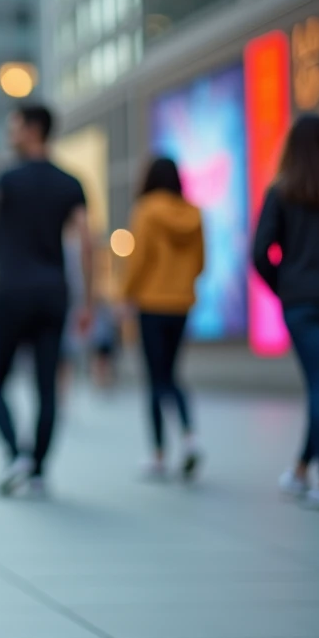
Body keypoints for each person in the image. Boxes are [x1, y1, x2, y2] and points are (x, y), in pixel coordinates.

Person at [0, 104, 92, 497]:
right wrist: (88, 301)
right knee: (47, 386)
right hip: (53, 293)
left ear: (33, 129)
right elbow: (86, 242)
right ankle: (38, 469)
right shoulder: (70, 182)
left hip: (12, 291)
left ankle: (17, 455)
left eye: (14, 127)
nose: (10, 134)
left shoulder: (6, 180)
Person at [253, 113, 319, 508]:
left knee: (318, 384)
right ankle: (302, 470)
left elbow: (259, 253)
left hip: (301, 303)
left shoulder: (281, 191)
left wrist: (284, 288)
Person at [121, 157, 205, 480]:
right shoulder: (194, 214)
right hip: (182, 304)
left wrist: (126, 294)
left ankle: (158, 454)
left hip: (151, 303)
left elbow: (139, 259)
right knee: (172, 374)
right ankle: (190, 437)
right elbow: (201, 262)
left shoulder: (146, 211)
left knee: (155, 378)